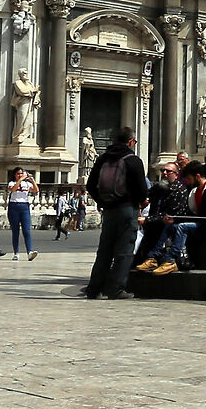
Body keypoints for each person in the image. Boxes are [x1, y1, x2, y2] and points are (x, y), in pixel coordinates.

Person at [83, 125, 150, 298]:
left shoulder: (103, 158)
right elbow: (142, 190)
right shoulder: (133, 160)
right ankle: (116, 289)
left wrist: (103, 201)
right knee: (124, 251)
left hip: (109, 210)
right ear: (130, 141)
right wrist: (140, 201)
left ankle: (94, 289)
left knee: (104, 251)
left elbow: (90, 185)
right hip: (127, 209)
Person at [5, 168, 36, 259]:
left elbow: (36, 189)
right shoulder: (11, 183)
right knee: (15, 231)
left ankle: (29, 251)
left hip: (24, 206)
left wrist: (32, 180)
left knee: (26, 231)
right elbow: (13, 189)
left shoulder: (27, 184)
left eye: (21, 173)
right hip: (14, 206)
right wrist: (20, 180)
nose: (20, 175)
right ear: (15, 174)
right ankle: (16, 252)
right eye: (18, 173)